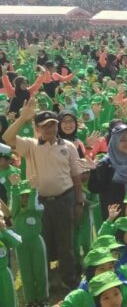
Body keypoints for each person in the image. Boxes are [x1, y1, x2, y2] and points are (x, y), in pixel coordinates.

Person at [3, 98, 86, 292]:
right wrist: (22, 118)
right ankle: (45, 278)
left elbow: (76, 175)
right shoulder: (30, 145)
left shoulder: (69, 146)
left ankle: (68, 277)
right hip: (37, 202)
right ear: (37, 128)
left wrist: (79, 200)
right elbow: (7, 138)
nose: (50, 129)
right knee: (43, 241)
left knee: (66, 242)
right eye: (45, 126)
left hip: (64, 199)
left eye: (53, 125)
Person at [8, 176, 48, 307]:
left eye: (26, 196)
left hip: (36, 242)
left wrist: (34, 190)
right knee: (26, 272)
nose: (24, 199)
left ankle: (42, 298)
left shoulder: (37, 208)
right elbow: (13, 205)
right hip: (21, 244)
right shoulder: (16, 212)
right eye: (22, 196)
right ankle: (31, 300)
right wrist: (14, 187)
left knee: (40, 270)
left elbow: (32, 205)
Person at [0, 210, 21, 307]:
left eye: (2, 218)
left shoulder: (3, 235)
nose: (1, 221)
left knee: (10, 299)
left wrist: (4, 230)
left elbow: (17, 242)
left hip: (5, 273)